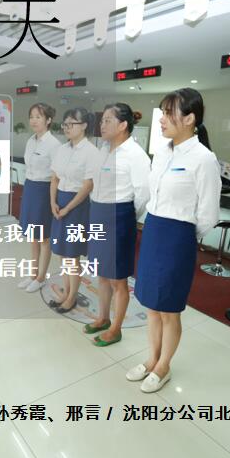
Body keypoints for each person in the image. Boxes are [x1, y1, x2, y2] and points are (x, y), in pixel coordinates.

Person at [129, 88, 221, 393]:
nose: (162, 119)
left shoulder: (204, 159)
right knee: (151, 305)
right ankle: (151, 359)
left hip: (178, 237)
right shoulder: (162, 152)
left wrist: (183, 237)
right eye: (162, 113)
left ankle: (164, 366)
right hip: (153, 230)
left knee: (169, 308)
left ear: (190, 118)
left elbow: (208, 214)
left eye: (169, 114)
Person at [86, 103, 150, 346]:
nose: (102, 125)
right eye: (102, 120)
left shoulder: (135, 155)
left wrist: (125, 216)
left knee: (118, 279)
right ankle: (102, 318)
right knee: (102, 273)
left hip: (119, 216)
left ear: (123, 125)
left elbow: (143, 194)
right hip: (98, 212)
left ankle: (116, 328)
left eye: (107, 121)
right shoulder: (103, 149)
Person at [48, 107, 98, 313]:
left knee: (72, 255)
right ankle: (66, 292)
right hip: (59, 202)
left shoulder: (91, 152)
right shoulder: (62, 149)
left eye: (71, 124)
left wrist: (67, 207)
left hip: (77, 207)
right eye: (65, 124)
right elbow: (54, 178)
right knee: (62, 253)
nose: (67, 127)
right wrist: (53, 202)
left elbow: (87, 186)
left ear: (84, 125)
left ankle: (71, 298)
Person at [18, 103, 61, 293]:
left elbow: (56, 176)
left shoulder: (54, 145)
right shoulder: (31, 141)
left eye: (38, 117)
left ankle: (41, 277)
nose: (33, 120)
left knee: (43, 237)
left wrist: (52, 200)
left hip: (44, 191)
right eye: (32, 117)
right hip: (30, 188)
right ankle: (32, 274)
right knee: (32, 236)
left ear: (48, 120)